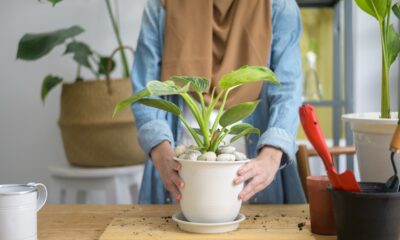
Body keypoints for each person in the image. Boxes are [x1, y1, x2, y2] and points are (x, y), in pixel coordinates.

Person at [131, 0, 306, 204]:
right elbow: (146, 89)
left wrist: (272, 153)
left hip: (253, 173)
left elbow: (288, 88)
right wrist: (160, 150)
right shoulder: (162, 5)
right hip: (180, 166)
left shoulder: (278, 6)